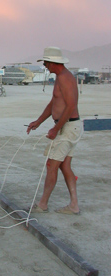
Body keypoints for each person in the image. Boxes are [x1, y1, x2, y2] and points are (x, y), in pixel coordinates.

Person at [27, 47, 82, 215]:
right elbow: (53, 104)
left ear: (53, 62)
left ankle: (42, 204)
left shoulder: (65, 78)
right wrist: (38, 121)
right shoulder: (60, 78)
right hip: (68, 126)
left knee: (52, 165)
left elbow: (71, 105)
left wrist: (55, 129)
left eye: (45, 62)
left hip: (68, 127)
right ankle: (74, 205)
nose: (44, 65)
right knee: (65, 166)